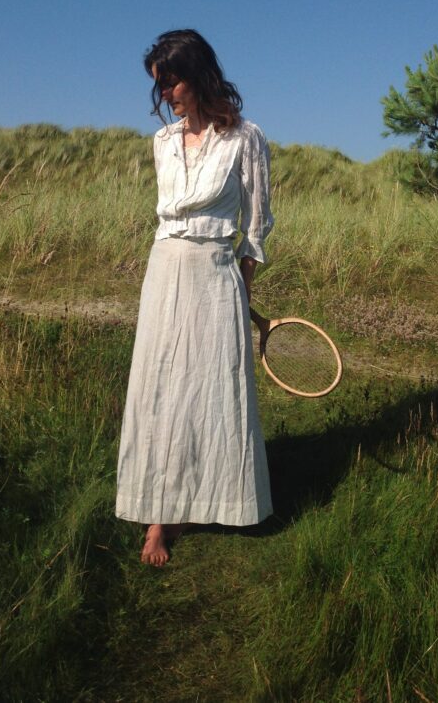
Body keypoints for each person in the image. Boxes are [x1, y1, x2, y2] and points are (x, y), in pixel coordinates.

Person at [116, 29, 274, 566]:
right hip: (163, 270)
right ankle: (159, 517)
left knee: (208, 389)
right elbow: (167, 219)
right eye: (160, 87)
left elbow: (253, 230)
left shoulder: (245, 140)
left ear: (201, 75)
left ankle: (209, 498)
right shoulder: (161, 144)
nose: (166, 95)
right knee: (160, 387)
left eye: (173, 82)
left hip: (215, 272)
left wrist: (242, 291)